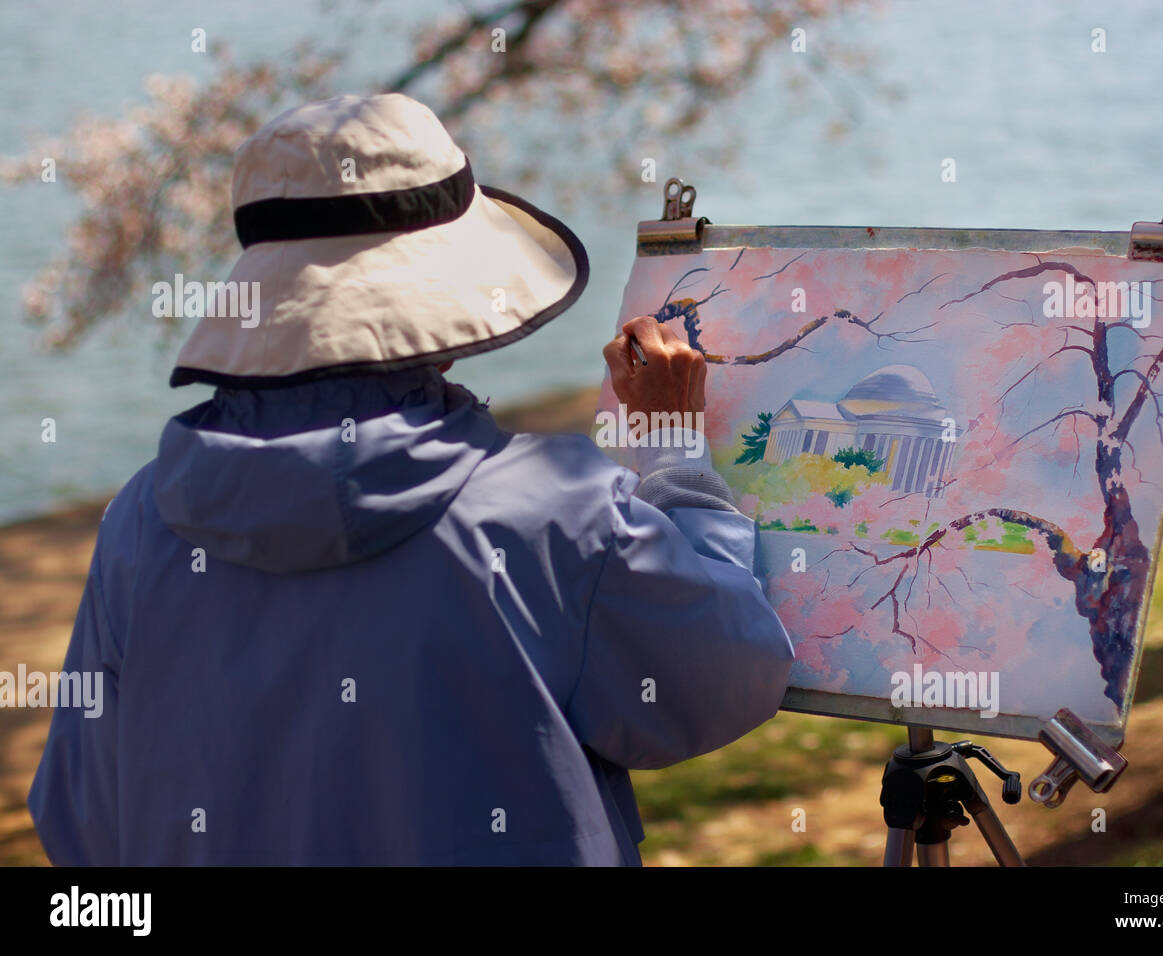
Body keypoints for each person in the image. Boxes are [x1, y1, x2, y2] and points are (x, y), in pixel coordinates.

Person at [27, 93, 794, 866]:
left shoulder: (141, 521)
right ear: (446, 310)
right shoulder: (552, 507)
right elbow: (726, 678)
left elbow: (80, 822)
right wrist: (670, 449)